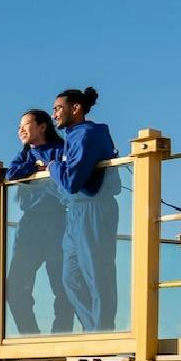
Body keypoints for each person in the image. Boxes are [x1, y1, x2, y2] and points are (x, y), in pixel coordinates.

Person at [31, 86, 120, 332]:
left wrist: (52, 167)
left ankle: (103, 335)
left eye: (58, 108)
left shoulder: (86, 134)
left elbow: (71, 181)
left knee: (96, 274)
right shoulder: (73, 135)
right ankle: (94, 331)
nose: (54, 114)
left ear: (76, 108)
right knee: (70, 278)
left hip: (94, 209)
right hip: (75, 212)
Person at [5, 109, 73, 334]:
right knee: (15, 287)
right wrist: (36, 168)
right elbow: (11, 175)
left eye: (26, 124)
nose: (21, 130)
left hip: (59, 223)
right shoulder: (25, 155)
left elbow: (69, 178)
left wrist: (50, 167)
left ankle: (59, 339)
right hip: (30, 226)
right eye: (18, 127)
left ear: (42, 126)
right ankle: (30, 337)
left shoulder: (62, 149)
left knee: (64, 288)